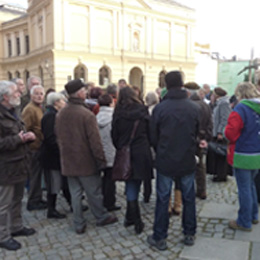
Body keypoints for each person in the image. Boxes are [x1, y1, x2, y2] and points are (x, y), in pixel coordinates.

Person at [55, 79, 118, 234]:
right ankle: (101, 216)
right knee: (94, 191)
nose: (86, 93)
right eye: (84, 90)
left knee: (75, 193)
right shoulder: (86, 114)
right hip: (85, 161)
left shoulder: (61, 113)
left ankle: (78, 222)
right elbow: (95, 142)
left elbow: (58, 137)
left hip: (68, 160)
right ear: (80, 93)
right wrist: (101, 160)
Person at [147, 71, 200, 250]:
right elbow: (197, 133)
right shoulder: (193, 107)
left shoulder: (160, 108)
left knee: (163, 198)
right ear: (182, 84)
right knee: (188, 197)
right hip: (186, 158)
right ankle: (189, 233)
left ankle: (160, 237)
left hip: (165, 159)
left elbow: (152, 137)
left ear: (166, 85)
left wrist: (161, 149)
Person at [0, 81, 36, 251]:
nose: (19, 94)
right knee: (4, 204)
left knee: (17, 199)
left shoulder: (14, 112)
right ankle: (3, 236)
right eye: (15, 92)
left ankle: (16, 227)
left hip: (19, 164)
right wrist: (18, 139)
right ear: (5, 96)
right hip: (5, 168)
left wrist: (26, 136)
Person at [112, 86, 153, 234]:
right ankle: (136, 220)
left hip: (126, 151)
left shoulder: (118, 113)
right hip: (142, 151)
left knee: (131, 184)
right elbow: (150, 132)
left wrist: (121, 147)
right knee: (137, 182)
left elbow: (114, 135)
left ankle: (132, 217)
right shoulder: (142, 110)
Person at [225, 82, 260, 231]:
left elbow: (231, 134)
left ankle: (244, 221)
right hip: (257, 153)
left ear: (240, 94)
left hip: (242, 153)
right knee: (251, 186)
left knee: (244, 189)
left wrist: (223, 129)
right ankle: (253, 215)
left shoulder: (241, 108)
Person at [40, 92, 67, 219]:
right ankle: (51, 210)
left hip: (55, 155)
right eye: (62, 101)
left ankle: (71, 203)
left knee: (62, 181)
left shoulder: (54, 114)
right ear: (56, 102)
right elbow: (50, 138)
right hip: (51, 156)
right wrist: (60, 150)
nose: (64, 103)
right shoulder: (50, 116)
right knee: (53, 184)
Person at [184, 82, 212, 199]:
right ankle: (202, 190)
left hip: (190, 139)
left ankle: (188, 190)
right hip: (202, 138)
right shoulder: (205, 106)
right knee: (200, 165)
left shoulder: (188, 106)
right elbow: (210, 124)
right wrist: (206, 138)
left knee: (188, 165)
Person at [22, 85, 47, 211]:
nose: (39, 96)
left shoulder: (38, 108)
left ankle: (37, 198)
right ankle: (33, 201)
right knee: (34, 176)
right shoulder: (29, 109)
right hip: (33, 148)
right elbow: (25, 128)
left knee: (37, 176)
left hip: (39, 147)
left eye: (41, 94)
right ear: (31, 96)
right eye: (36, 93)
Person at [96, 94, 121, 212]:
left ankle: (102, 199)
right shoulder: (114, 117)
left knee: (103, 178)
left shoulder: (95, 117)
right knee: (111, 179)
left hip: (100, 152)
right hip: (112, 151)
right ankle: (110, 202)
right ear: (111, 103)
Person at [207, 87, 231, 182]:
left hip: (220, 132)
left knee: (221, 153)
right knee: (217, 153)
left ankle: (221, 174)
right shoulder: (218, 103)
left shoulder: (224, 103)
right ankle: (217, 173)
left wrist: (220, 132)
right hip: (216, 130)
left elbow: (225, 118)